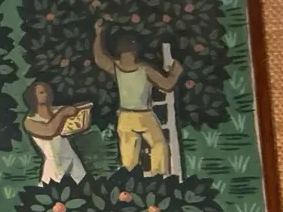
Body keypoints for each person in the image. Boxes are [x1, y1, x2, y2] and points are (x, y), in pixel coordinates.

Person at [91, 20, 183, 174]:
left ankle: (131, 181)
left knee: (128, 158)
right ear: (135, 52)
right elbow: (167, 85)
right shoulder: (144, 69)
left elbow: (99, 58)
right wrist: (175, 73)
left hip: (125, 116)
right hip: (143, 115)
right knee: (159, 146)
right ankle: (159, 177)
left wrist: (98, 34)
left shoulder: (116, 67)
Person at [21, 81, 87, 185]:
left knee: (85, 187)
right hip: (54, 164)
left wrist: (81, 111)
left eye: (47, 91)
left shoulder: (57, 110)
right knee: (52, 191)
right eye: (41, 92)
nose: (46, 95)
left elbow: (81, 123)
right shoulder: (30, 121)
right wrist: (63, 113)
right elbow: (50, 131)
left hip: (71, 159)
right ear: (32, 97)